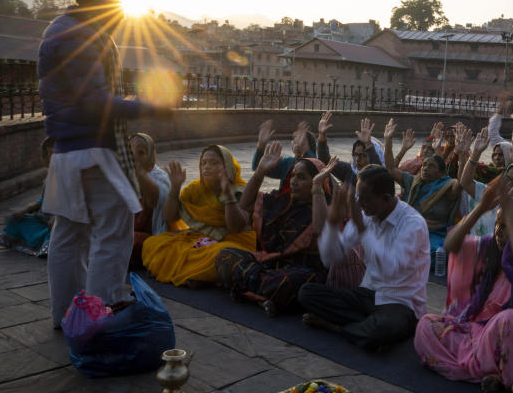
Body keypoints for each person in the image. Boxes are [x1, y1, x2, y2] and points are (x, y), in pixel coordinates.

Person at [38, 0, 172, 327]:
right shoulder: (80, 35)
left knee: (68, 234)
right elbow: (94, 103)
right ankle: (102, 315)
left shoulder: (64, 28)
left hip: (68, 150)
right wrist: (148, 106)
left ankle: (67, 316)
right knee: (113, 231)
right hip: (92, 149)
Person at [414, 179, 513, 392]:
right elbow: (451, 245)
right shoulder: (493, 247)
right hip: (480, 330)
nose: (499, 231)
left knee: (509, 319)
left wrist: (510, 210)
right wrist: (481, 208)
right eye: (498, 224)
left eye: (507, 226)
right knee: (426, 325)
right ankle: (486, 368)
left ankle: (502, 373)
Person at [299, 165, 430, 351]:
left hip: (401, 301)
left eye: (365, 199)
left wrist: (361, 228)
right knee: (307, 293)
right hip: (369, 294)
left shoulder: (413, 224)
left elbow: (391, 269)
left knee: (384, 327)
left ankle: (338, 327)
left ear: (385, 199)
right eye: (358, 197)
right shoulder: (367, 215)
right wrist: (334, 223)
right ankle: (364, 329)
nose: (360, 204)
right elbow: (330, 258)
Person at [215, 142, 333, 315]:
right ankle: (263, 299)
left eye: (301, 177)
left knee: (293, 282)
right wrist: (260, 173)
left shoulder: (326, 207)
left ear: (318, 181)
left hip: (298, 270)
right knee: (224, 256)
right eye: (292, 175)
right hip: (266, 264)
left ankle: (248, 291)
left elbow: (319, 230)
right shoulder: (282, 201)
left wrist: (317, 189)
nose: (293, 181)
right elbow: (245, 204)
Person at [142, 145, 256, 287]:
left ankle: (195, 275)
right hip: (199, 238)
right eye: (204, 162)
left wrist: (228, 196)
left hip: (232, 242)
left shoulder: (239, 190)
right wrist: (175, 188)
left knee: (222, 255)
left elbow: (235, 227)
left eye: (214, 163)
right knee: (153, 243)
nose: (207, 166)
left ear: (227, 166)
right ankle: (197, 276)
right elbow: (170, 217)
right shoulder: (195, 189)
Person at [383, 118, 462, 254]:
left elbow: (462, 183)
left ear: (442, 173)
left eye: (431, 166)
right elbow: (390, 168)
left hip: (434, 236)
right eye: (424, 165)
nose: (425, 169)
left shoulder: (448, 185)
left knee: (433, 252)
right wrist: (388, 141)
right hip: (409, 229)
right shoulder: (414, 181)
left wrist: (462, 154)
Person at [0, 137, 55, 257]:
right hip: (44, 217)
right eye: (47, 154)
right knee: (17, 221)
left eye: (53, 154)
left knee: (54, 233)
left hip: (57, 218)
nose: (50, 158)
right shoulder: (49, 175)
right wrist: (25, 210)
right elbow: (43, 199)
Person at [130, 133, 179, 268]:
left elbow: (157, 198)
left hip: (151, 237)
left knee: (127, 241)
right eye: (130, 152)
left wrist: (140, 175)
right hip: (126, 231)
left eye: (141, 153)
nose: (134, 157)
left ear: (151, 155)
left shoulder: (161, 178)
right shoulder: (123, 175)